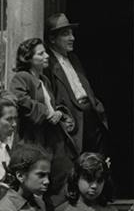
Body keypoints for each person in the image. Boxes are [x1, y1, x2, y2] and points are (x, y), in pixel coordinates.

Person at [10, 37, 76, 208]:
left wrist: (60, 113)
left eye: (45, 52)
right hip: (33, 139)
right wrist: (46, 112)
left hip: (52, 139)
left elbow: (52, 107)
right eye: (41, 53)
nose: (46, 56)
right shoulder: (21, 78)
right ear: (29, 58)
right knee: (34, 179)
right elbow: (19, 99)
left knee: (61, 174)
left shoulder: (44, 80)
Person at [44, 13, 109, 156]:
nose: (72, 38)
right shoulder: (47, 64)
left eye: (72, 34)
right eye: (66, 34)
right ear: (52, 38)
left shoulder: (73, 58)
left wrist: (96, 105)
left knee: (95, 164)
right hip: (72, 123)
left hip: (90, 117)